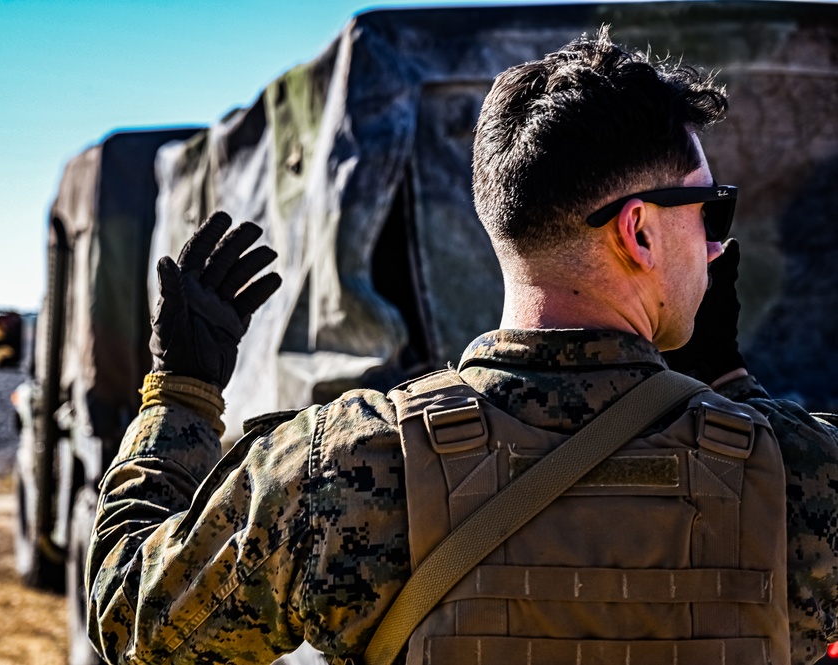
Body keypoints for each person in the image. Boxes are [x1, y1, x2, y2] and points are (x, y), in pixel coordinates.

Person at [86, 27, 838, 664]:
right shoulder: (796, 472)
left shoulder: (348, 464)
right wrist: (729, 390)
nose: (714, 243)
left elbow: (133, 615)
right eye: (707, 208)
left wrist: (180, 393)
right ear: (638, 232)